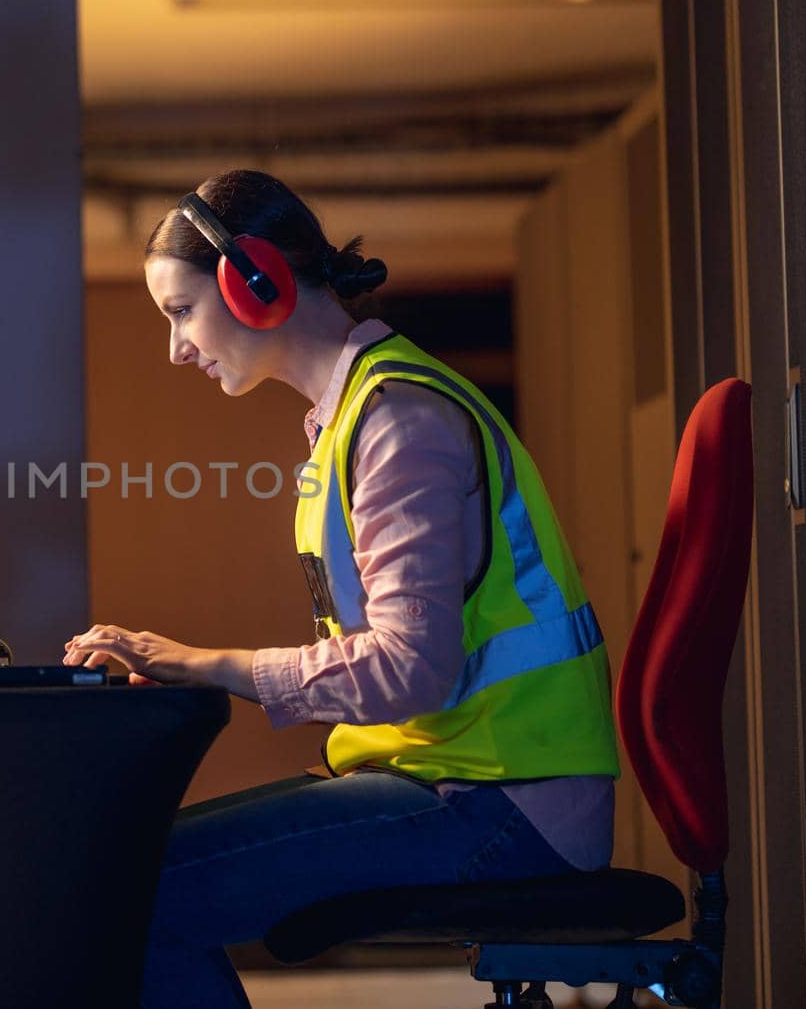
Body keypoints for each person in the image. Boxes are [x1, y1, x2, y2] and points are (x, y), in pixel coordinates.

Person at [62, 170, 620, 1007]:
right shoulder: (354, 416)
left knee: (127, 891)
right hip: (465, 780)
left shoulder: (397, 422)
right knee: (130, 874)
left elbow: (410, 670)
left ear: (257, 284)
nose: (175, 347)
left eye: (180, 312)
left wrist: (205, 662)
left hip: (503, 807)